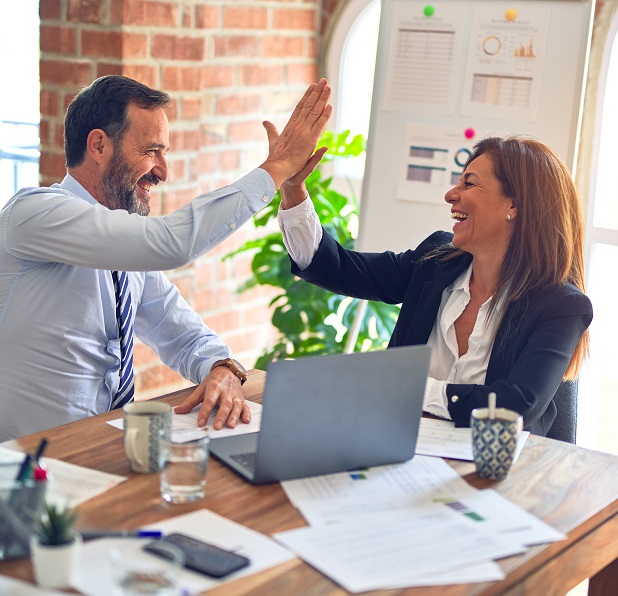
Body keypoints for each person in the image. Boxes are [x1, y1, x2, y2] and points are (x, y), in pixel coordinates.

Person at [0, 74, 332, 442]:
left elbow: (182, 333)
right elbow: (172, 243)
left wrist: (221, 367)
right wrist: (277, 168)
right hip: (25, 467)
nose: (163, 171)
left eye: (164, 153)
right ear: (98, 146)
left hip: (101, 450)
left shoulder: (123, 248)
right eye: (150, 151)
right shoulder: (34, 214)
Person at [277, 135, 593, 436]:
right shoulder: (436, 262)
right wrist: (293, 189)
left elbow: (513, 408)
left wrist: (407, 387)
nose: (450, 195)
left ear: (514, 205)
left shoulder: (561, 306)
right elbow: (338, 268)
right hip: (400, 450)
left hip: (499, 475)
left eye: (469, 183)